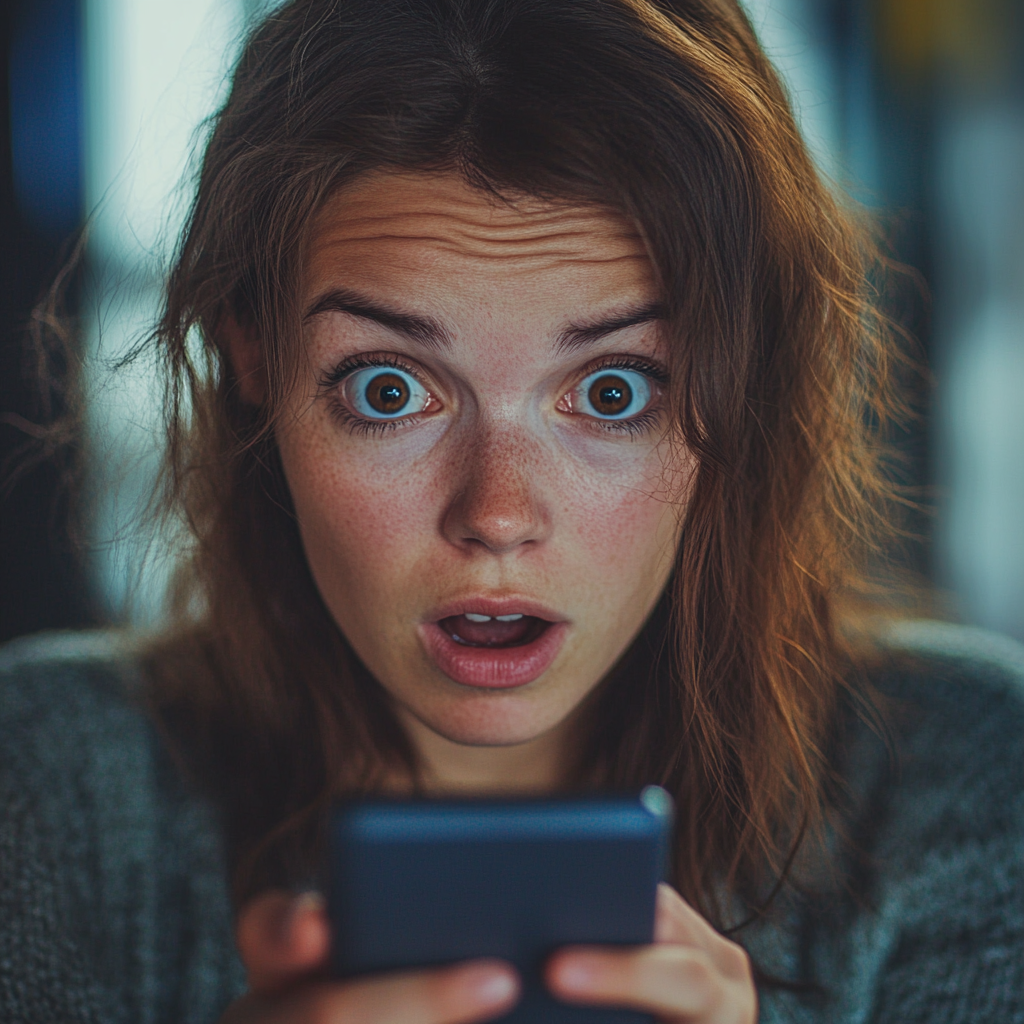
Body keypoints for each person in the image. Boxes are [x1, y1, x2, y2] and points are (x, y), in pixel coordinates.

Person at [1, 1, 1022, 1022]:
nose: (496, 514)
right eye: (387, 389)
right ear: (254, 360)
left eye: (615, 390)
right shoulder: (43, 785)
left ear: (741, 383)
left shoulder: (970, 784)